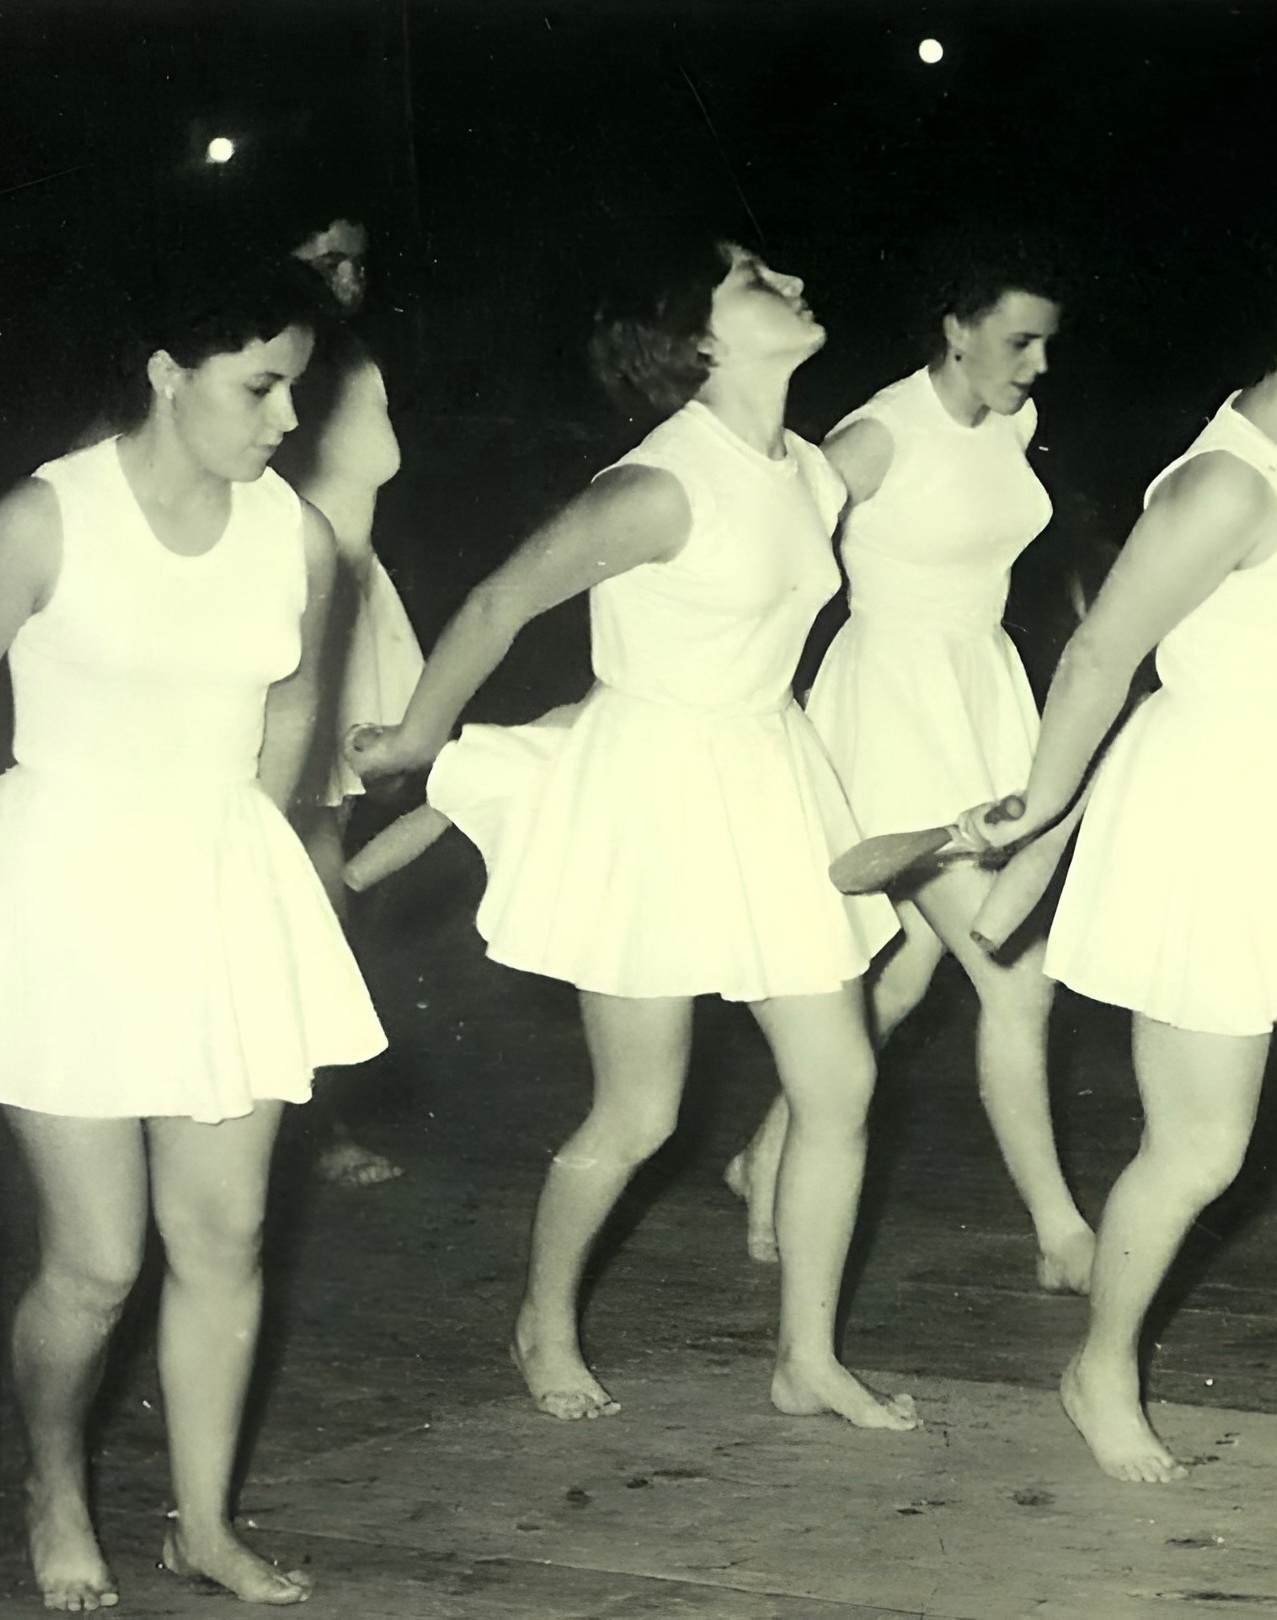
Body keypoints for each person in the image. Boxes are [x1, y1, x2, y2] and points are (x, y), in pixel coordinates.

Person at [344, 234, 920, 1433]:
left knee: (841, 1080)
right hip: (654, 794)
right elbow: (504, 597)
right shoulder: (659, 486)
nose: (798, 282)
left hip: (766, 773)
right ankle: (541, 1322)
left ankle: (805, 1357)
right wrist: (411, 736)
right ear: (698, 341)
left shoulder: (808, 472)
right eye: (761, 280)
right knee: (640, 1114)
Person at [0, 256, 383, 1607]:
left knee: (223, 1244)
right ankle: (56, 1484)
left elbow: (291, 711)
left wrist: (242, 863)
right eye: (260, 387)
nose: (288, 419)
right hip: (61, 894)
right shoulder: (49, 520)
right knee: (98, 1263)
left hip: (213, 885)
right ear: (168, 375)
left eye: (298, 387)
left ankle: (203, 1524)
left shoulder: (298, 540)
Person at [963, 226, 1277, 1493]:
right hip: (1209, 812)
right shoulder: (1223, 487)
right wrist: (1035, 814)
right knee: (1200, 1151)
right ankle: (1101, 1368)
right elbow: (1098, 658)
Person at [722, 243, 1096, 1292]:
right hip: (889, 711)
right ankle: (1064, 1234)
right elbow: (775, 559)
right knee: (1015, 976)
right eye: (1018, 341)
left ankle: (765, 1156)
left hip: (979, 694)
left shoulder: (1013, 421)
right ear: (956, 328)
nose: (1035, 366)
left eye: (1045, 345)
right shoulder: (877, 437)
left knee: (903, 975)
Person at [270, 211, 424, 1189]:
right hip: (285, 634)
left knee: (323, 888)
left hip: (355, 622)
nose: (348, 278)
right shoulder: (266, 385)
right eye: (322, 259)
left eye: (359, 261)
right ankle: (304, 1120)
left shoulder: (356, 365)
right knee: (303, 882)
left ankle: (304, 1112)